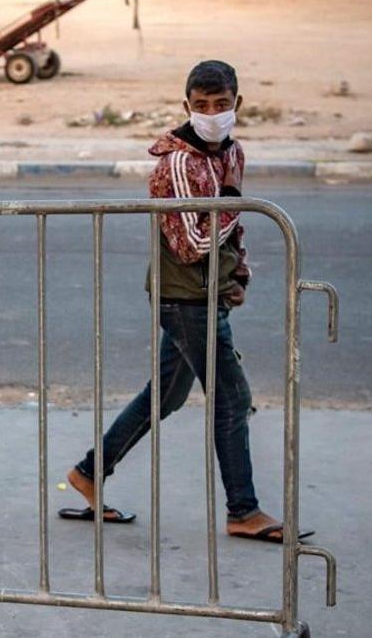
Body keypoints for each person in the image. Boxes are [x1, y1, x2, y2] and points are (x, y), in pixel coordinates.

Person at [60, 60, 312, 544]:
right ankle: (243, 510)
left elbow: (231, 227)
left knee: (167, 395)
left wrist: (239, 272)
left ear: (238, 104)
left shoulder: (233, 153)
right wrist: (234, 211)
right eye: (201, 106)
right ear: (186, 107)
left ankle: (90, 471)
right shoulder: (176, 163)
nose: (212, 114)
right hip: (184, 298)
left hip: (208, 292)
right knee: (232, 398)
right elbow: (189, 243)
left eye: (221, 105)